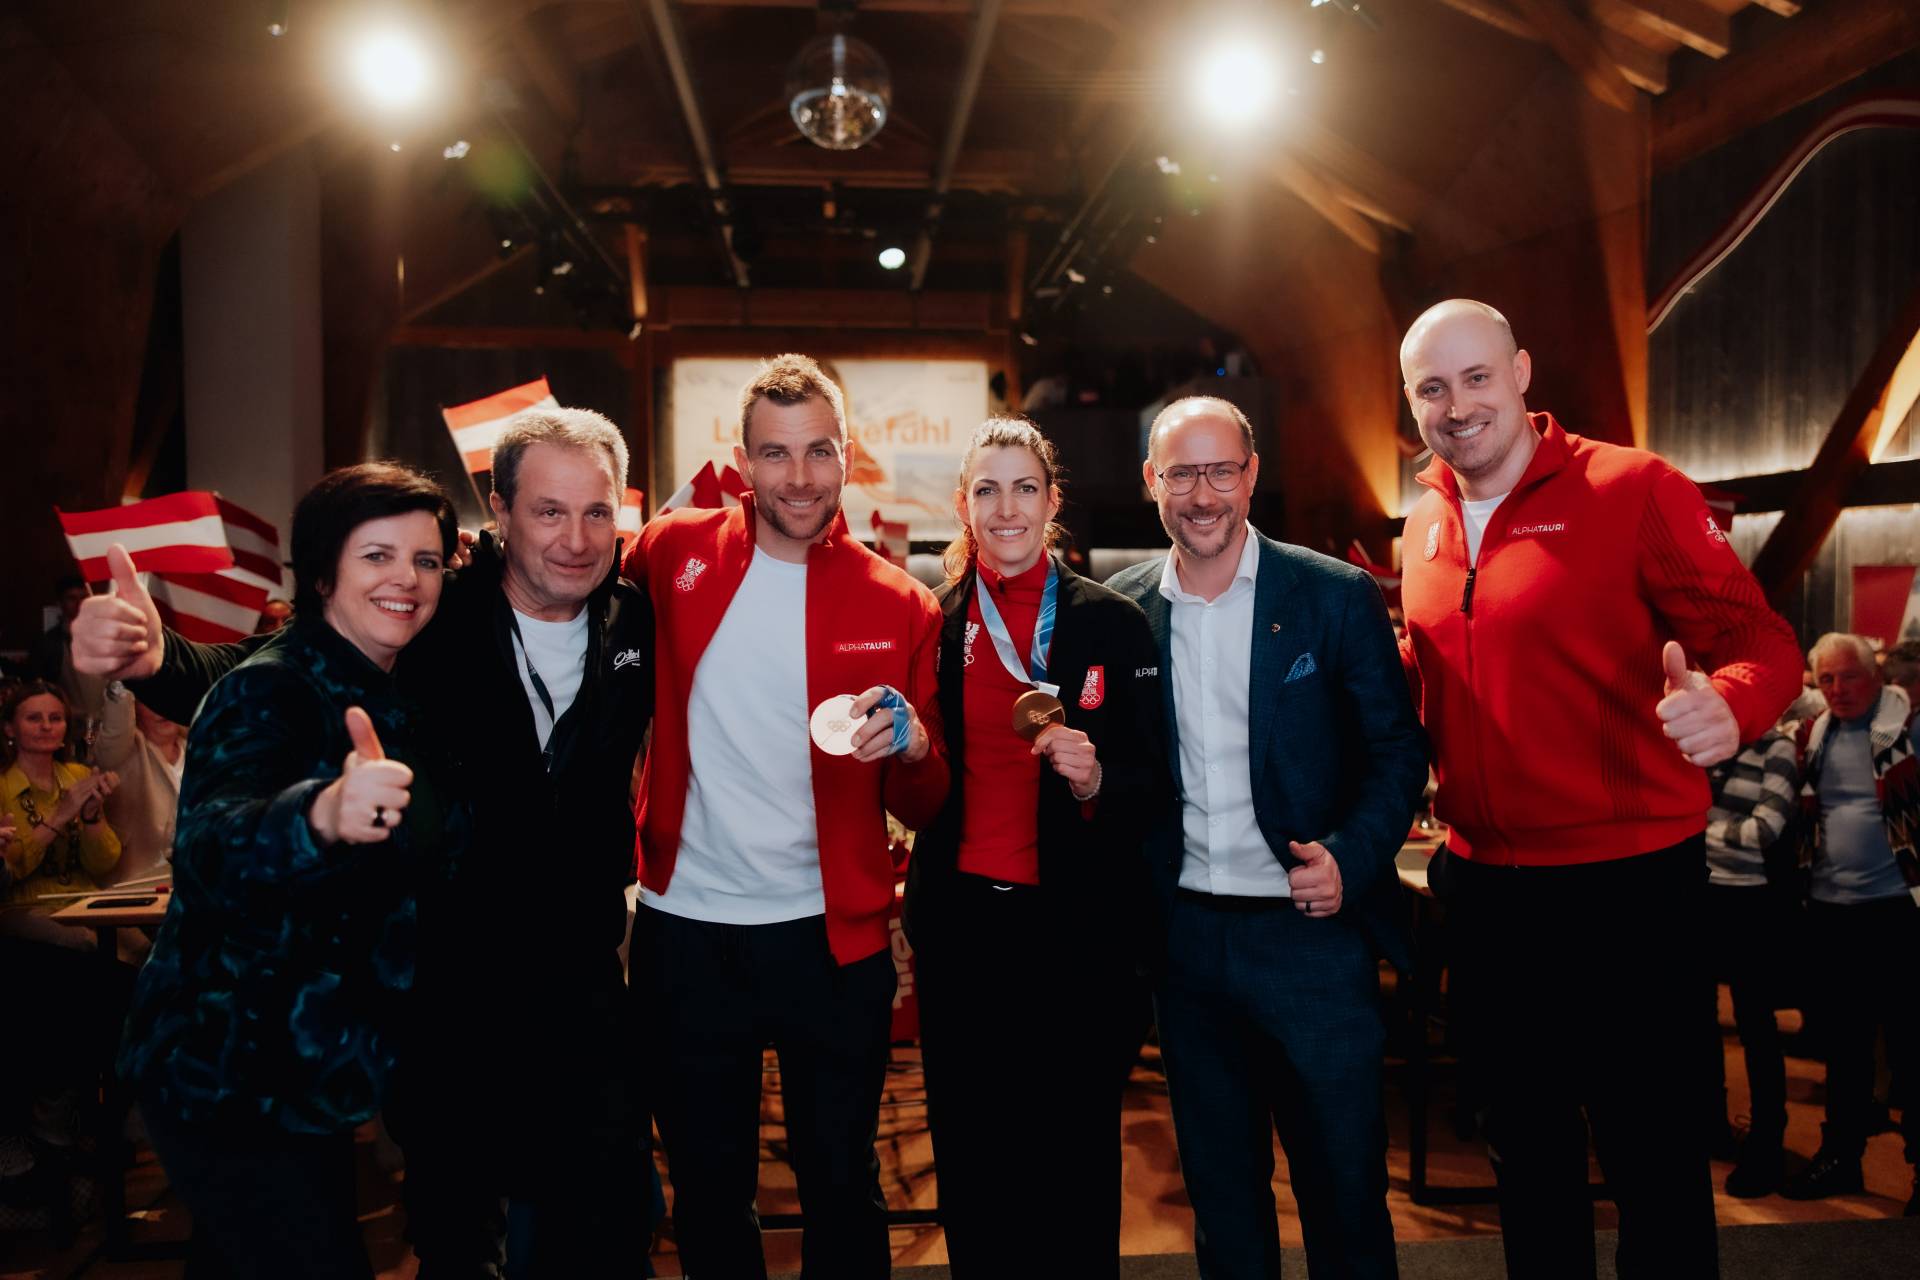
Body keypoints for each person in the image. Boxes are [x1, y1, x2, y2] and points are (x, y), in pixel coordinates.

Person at [74, 409, 654, 1276]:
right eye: (548, 510)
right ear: (501, 512)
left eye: (597, 511)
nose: (575, 538)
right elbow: (266, 682)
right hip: (386, 1005)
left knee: (597, 1215)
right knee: (446, 1226)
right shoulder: (432, 619)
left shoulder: (630, 619)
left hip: (560, 975)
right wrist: (158, 665)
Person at [1396, 299, 1804, 1277]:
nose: (1458, 405)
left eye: (1478, 377)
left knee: (1653, 1161)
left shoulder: (1632, 487)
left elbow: (1762, 641)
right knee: (1525, 1157)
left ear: (1522, 373)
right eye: (1432, 388)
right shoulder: (1424, 523)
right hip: (1487, 892)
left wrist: (1730, 705)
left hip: (1629, 887)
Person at [623, 352, 947, 1279]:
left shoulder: (900, 602)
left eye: (817, 452)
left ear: (847, 454)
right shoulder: (670, 552)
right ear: (742, 460)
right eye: (775, 453)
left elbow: (926, 800)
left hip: (830, 938)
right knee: (707, 1187)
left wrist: (916, 751)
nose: (799, 478)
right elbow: (566, 599)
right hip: (688, 927)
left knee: (841, 1181)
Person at [117, 462, 467, 1279]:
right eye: (377, 555)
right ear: (321, 574)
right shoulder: (270, 687)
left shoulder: (393, 680)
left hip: (307, 1072)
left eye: (425, 560)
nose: (407, 578)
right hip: (229, 1071)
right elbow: (209, 846)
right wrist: (320, 815)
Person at [1106, 396, 1427, 1280]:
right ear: (1152, 482)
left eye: (1221, 471)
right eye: (1182, 474)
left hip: (1310, 938)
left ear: (1251, 476)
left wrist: (1351, 858)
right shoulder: (1123, 611)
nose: (1202, 494)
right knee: (1224, 1204)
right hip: (1186, 949)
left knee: (1345, 1196)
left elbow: (1398, 752)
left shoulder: (1332, 595)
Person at [903, 417, 1165, 1277]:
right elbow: (920, 787)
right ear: (963, 506)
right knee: (973, 1158)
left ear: (1052, 502)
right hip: (963, 930)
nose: (1006, 508)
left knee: (1074, 1160)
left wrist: (1098, 783)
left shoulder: (1113, 623)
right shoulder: (935, 623)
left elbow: (1157, 783)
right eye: (987, 490)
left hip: (1076, 933)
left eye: (1024, 489)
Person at [1782, 633, 1919, 1213]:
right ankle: (1841, 1156)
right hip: (1831, 911)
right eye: (1827, 679)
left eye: (1850, 676)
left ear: (1876, 676)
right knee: (1844, 1046)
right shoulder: (1813, 735)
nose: (1838, 689)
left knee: (1911, 1047)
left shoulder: (1907, 730)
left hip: (1897, 912)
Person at [1701, 725, 1799, 1197]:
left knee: (1755, 1025)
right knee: (1698, 1019)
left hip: (1750, 901)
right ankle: (1710, 1124)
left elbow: (1765, 829)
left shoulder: (1775, 747)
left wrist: (1701, 830)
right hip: (1700, 893)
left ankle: (1766, 1141)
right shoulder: (1705, 742)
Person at [0, 680, 122, 919]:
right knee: (82, 939)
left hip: (84, 899)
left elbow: (103, 865)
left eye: (56, 718)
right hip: (23, 907)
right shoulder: (3, 785)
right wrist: (60, 816)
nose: (46, 726)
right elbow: (10, 868)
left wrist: (91, 817)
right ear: (9, 729)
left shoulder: (79, 775)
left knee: (141, 939)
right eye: (34, 718)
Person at [92, 683, 185, 885]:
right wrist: (124, 678)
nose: (163, 708)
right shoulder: (122, 750)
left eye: (171, 698)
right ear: (135, 708)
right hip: (139, 884)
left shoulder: (202, 747)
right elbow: (117, 722)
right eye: (152, 701)